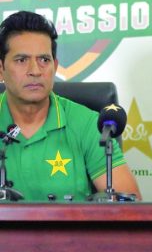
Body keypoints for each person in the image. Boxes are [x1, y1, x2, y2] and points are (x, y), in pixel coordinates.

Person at [0, 10, 142, 202]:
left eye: (44, 60)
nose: (35, 71)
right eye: (21, 60)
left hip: (73, 233)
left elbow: (130, 209)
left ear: (55, 67)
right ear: (1, 69)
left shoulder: (88, 124)